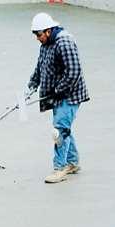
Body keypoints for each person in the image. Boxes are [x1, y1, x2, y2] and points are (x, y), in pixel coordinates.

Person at [26, 12, 89, 183]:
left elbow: (74, 72)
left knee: (60, 130)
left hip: (70, 95)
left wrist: (57, 90)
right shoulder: (46, 44)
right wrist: (31, 86)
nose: (37, 38)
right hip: (57, 95)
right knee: (64, 128)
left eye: (38, 34)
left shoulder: (64, 42)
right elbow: (40, 68)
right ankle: (73, 162)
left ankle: (59, 168)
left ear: (48, 30)